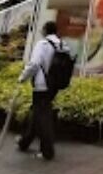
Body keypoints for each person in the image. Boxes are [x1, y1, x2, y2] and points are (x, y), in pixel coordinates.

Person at [16, 21, 67, 160]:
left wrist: (22, 77)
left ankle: (47, 151)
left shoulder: (42, 44)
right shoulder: (62, 45)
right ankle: (24, 142)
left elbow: (34, 64)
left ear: (45, 30)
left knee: (43, 117)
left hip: (41, 85)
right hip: (54, 85)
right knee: (38, 112)